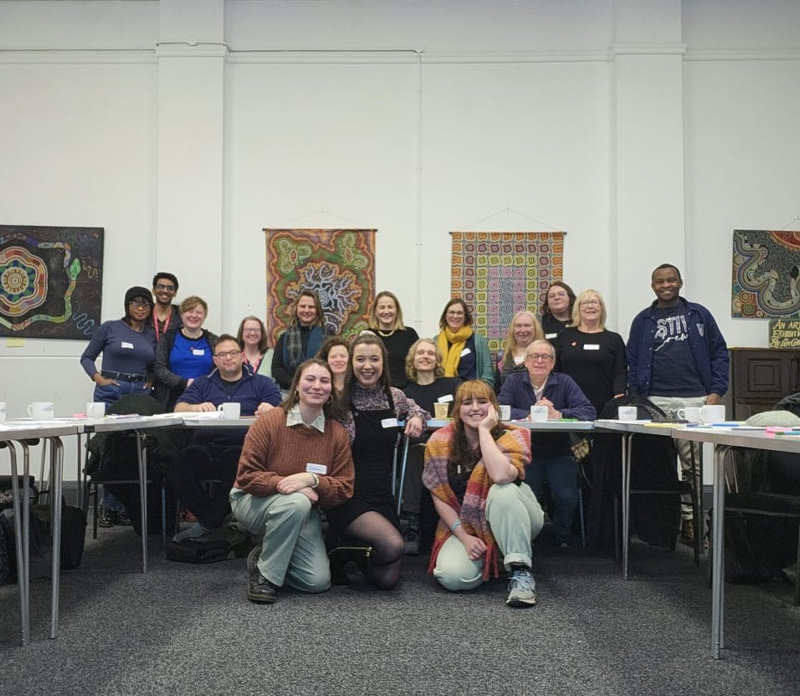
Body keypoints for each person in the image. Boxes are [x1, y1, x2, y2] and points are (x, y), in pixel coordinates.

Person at [230, 359, 355, 603]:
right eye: (310, 379)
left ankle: (265, 555)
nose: (317, 386)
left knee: (317, 582)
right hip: (252, 499)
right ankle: (264, 577)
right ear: (296, 385)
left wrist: (312, 480)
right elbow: (246, 476)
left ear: (331, 390)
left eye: (324, 381)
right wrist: (282, 483)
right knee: (296, 502)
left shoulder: (336, 434)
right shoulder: (270, 421)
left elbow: (344, 488)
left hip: (301, 509)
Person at [627, 263, 729, 544]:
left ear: (680, 282)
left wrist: (717, 390)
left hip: (693, 398)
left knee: (692, 465)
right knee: (657, 464)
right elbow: (632, 361)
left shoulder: (699, 314)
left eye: (671, 280)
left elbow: (720, 352)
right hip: (654, 400)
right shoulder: (643, 320)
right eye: (660, 281)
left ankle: (691, 520)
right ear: (653, 286)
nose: (666, 285)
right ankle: (662, 523)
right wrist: (636, 396)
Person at [423, 380, 544, 607]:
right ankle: (494, 558)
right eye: (467, 403)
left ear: (494, 407)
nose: (476, 408)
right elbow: (439, 495)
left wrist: (484, 431)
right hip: (467, 523)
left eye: (482, 402)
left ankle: (520, 572)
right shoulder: (439, 442)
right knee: (452, 576)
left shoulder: (514, 435)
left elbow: (500, 475)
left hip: (518, 515)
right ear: (458, 410)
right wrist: (465, 538)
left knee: (502, 491)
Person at [326, 333, 429, 590]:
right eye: (360, 359)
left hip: (383, 496)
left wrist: (416, 418)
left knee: (386, 580)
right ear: (351, 363)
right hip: (349, 495)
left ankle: (350, 551)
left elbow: (417, 409)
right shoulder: (339, 398)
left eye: (374, 359)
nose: (367, 366)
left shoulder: (394, 397)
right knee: (394, 545)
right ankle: (340, 543)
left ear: (383, 363)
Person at [169, 334, 282, 540]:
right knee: (178, 468)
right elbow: (179, 407)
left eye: (232, 353)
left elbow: (282, 408)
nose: (228, 358)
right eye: (222, 354)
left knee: (236, 464)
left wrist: (270, 408)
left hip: (244, 446)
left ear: (241, 357)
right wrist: (196, 407)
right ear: (215, 360)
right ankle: (213, 520)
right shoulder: (203, 383)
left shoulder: (260, 383)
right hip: (205, 446)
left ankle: (208, 523)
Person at [498, 340, 596, 547]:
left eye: (546, 357)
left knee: (566, 496)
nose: (540, 361)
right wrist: (531, 414)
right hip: (525, 452)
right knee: (525, 494)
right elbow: (500, 410)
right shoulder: (513, 382)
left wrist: (558, 414)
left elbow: (588, 411)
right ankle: (529, 536)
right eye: (534, 356)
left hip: (560, 451)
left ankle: (562, 536)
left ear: (553, 363)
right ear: (526, 361)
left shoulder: (565, 382)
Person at [80, 285, 157, 527]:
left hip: (139, 395)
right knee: (110, 447)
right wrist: (98, 378)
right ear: (127, 306)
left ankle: (124, 505)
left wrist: (151, 381)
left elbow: (157, 364)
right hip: (111, 392)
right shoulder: (110, 328)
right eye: (135, 302)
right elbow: (86, 358)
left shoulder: (152, 335)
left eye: (145, 303)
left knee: (132, 448)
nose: (141, 307)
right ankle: (108, 505)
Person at [401, 338, 463, 554]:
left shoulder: (453, 385)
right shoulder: (405, 393)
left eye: (430, 353)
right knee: (415, 452)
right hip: (419, 449)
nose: (425, 356)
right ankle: (413, 523)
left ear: (437, 360)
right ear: (412, 360)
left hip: (451, 446)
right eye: (420, 353)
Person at [555, 289, 627, 415]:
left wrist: (619, 393)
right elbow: (556, 368)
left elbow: (620, 371)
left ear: (601, 308)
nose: (590, 306)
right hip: (569, 402)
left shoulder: (613, 339)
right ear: (578, 307)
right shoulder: (565, 336)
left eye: (595, 302)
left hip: (604, 403)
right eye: (585, 303)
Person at [152, 296, 218, 411]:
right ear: (181, 315)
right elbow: (159, 367)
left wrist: (203, 385)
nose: (194, 315)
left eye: (199, 312)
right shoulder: (168, 338)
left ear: (204, 317)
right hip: (171, 397)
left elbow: (220, 367)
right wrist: (183, 383)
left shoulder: (214, 341)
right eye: (190, 311)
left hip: (206, 397)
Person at [271, 290, 329, 390]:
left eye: (311, 307)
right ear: (296, 309)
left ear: (317, 310)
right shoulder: (284, 337)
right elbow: (276, 368)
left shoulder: (328, 336)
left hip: (319, 390)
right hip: (290, 392)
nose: (306, 310)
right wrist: (296, 385)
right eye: (302, 306)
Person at [434, 298, 493, 386]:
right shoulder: (435, 341)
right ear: (445, 316)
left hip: (470, 394)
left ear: (465, 317)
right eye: (451, 312)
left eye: (459, 313)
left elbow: (487, 374)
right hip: (441, 393)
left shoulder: (478, 341)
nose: (455, 316)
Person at [368, 291, 419, 388]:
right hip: (374, 392)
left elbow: (416, 367)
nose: (386, 311)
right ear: (375, 311)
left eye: (390, 307)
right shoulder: (367, 335)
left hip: (405, 392)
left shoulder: (409, 334)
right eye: (382, 307)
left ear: (397, 310)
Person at [498, 310, 545, 387]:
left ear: (535, 328)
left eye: (527, 325)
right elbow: (497, 388)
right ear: (512, 329)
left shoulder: (545, 355)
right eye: (518, 326)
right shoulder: (503, 356)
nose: (522, 330)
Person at [150, 272, 182, 340]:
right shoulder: (145, 313)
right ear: (153, 291)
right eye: (160, 287)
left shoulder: (181, 316)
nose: (165, 291)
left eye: (170, 288)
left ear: (175, 293)